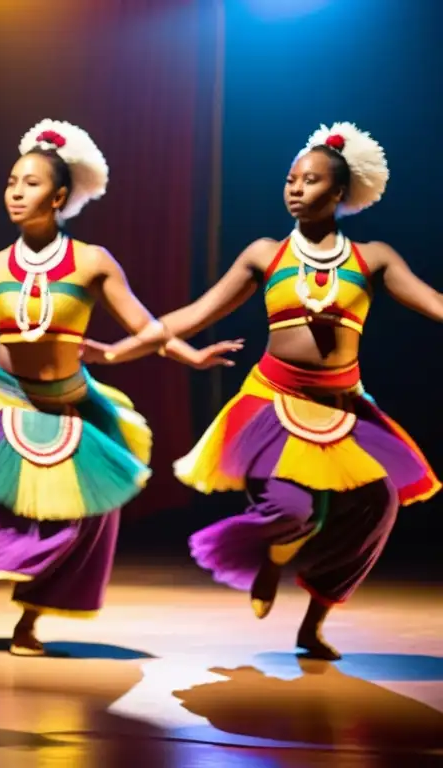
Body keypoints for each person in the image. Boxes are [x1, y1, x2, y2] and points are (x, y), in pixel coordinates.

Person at [82, 122, 440, 660]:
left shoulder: (374, 258)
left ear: (339, 193)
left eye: (311, 180)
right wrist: (116, 352)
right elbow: (192, 315)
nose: (295, 188)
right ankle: (274, 556)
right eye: (291, 178)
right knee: (291, 511)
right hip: (272, 401)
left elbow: (434, 302)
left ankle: (315, 619)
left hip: (344, 405)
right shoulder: (265, 254)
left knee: (379, 501)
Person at [0, 119, 242, 655]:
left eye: (30, 183)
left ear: (60, 197)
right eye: (11, 181)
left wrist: (186, 355)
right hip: (2, 399)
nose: (16, 192)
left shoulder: (92, 262)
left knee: (78, 520)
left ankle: (29, 618)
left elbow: (147, 328)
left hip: (71, 404)